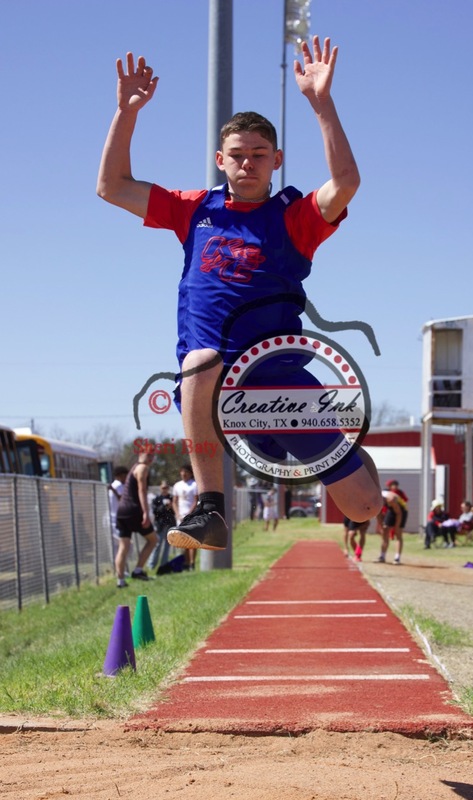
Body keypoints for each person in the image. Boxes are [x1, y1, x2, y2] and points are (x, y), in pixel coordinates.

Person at [96, 37, 382, 554]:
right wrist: (126, 114)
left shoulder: (294, 217)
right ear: (219, 160)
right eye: (237, 155)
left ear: (276, 160)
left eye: (258, 155)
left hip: (280, 383)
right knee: (202, 361)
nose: (247, 163)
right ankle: (211, 508)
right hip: (219, 394)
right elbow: (112, 186)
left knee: (364, 506)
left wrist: (322, 104)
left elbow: (346, 181)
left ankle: (350, 451)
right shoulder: (193, 210)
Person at [115, 453, 158, 587]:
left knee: (124, 546)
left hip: (121, 511)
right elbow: (142, 490)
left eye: (153, 456)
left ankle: (120, 581)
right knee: (153, 540)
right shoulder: (143, 468)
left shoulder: (134, 467)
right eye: (150, 455)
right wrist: (145, 512)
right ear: (144, 456)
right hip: (134, 511)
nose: (152, 458)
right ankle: (138, 570)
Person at [172, 464, 198, 570]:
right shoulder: (177, 485)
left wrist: (189, 514)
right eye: (182, 472)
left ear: (190, 473)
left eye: (186, 472)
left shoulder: (194, 485)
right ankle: (186, 563)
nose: (183, 474)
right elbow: (174, 501)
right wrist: (177, 514)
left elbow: (196, 500)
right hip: (180, 517)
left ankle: (192, 563)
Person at [147, 481, 177, 570]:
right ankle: (151, 565)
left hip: (170, 524)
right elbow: (155, 511)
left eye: (166, 488)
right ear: (160, 488)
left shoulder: (172, 498)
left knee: (168, 545)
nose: (165, 489)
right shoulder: (156, 499)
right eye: (163, 488)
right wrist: (164, 506)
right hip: (160, 525)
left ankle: (164, 564)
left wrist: (171, 506)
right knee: (157, 545)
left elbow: (175, 510)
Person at [375, 487, 405, 564]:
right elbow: (378, 514)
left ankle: (397, 557)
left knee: (398, 534)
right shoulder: (376, 500)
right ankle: (382, 556)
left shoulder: (391, 499)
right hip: (391, 509)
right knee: (385, 531)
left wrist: (397, 526)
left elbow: (399, 513)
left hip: (402, 510)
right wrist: (381, 526)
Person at [108, 465, 129, 555]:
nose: (126, 479)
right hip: (117, 519)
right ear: (119, 476)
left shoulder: (113, 485)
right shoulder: (119, 485)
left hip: (112, 518)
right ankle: (121, 567)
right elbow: (122, 499)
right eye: (125, 476)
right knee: (125, 545)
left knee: (117, 546)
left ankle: (119, 566)